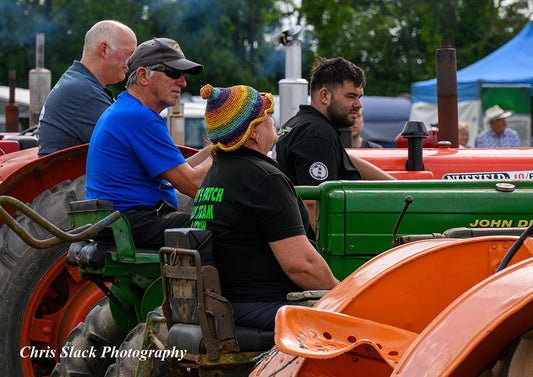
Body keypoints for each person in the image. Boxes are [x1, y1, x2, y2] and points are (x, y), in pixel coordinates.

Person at [190, 84, 339, 331]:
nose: (273, 120)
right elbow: (301, 265)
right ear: (253, 133)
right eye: (267, 115)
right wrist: (342, 294)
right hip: (261, 305)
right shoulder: (264, 179)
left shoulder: (215, 175)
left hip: (228, 303)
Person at [85, 37, 212, 249]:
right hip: (134, 223)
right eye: (173, 73)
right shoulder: (140, 118)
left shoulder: (128, 111)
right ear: (143, 75)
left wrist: (216, 148)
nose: (183, 82)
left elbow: (183, 170)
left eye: (183, 75)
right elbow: (193, 185)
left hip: (123, 221)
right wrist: (231, 147)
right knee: (222, 226)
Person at [276, 57, 395, 228]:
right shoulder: (316, 135)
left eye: (360, 97)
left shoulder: (298, 123)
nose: (359, 104)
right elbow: (313, 205)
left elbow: (343, 159)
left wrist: (397, 185)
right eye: (351, 96)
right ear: (324, 95)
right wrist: (328, 253)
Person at [38, 20, 137, 156]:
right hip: (69, 177)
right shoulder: (84, 93)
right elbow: (133, 149)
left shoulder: (80, 83)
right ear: (104, 49)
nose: (132, 62)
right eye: (128, 53)